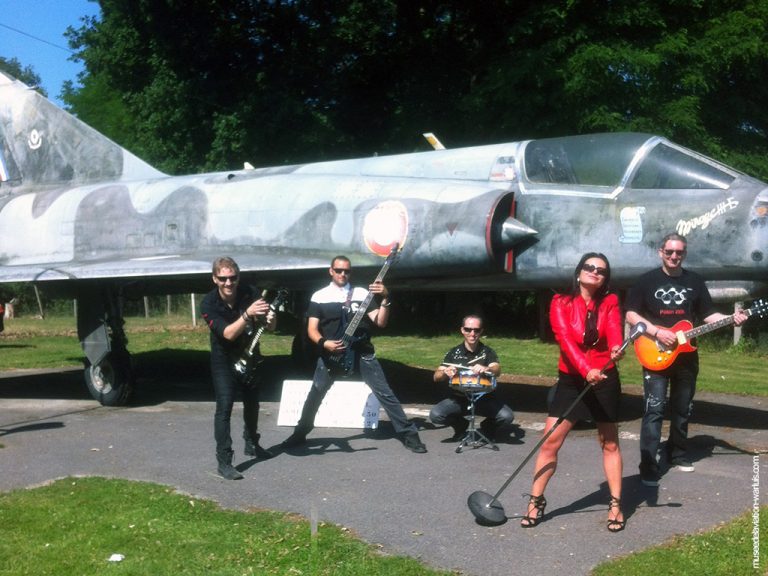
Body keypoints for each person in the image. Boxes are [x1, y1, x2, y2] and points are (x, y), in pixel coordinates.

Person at [625, 233, 747, 487]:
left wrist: (731, 318)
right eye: (669, 251)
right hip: (654, 352)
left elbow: (708, 314)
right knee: (654, 410)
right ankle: (648, 465)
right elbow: (631, 314)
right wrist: (657, 332)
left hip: (686, 358)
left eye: (679, 252)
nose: (674, 256)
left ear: (685, 253)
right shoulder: (646, 281)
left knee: (682, 410)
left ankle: (677, 453)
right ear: (661, 252)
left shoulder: (694, 281)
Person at [521, 253, 626, 532]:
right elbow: (566, 341)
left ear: (605, 278)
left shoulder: (611, 301)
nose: (595, 272)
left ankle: (615, 503)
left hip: (604, 377)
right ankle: (536, 500)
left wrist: (616, 350)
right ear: (579, 272)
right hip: (572, 380)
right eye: (589, 267)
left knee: (610, 443)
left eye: (601, 270)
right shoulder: (560, 302)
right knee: (549, 442)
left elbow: (615, 330)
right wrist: (585, 369)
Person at [282, 255, 427, 453]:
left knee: (385, 393)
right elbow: (312, 330)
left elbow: (380, 321)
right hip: (333, 354)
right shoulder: (319, 296)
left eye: (347, 271)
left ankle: (409, 435)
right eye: (339, 270)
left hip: (362, 352)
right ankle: (300, 433)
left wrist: (386, 298)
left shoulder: (361, 293)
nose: (343, 274)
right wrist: (325, 344)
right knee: (315, 394)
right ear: (331, 271)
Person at [201, 256, 276, 480]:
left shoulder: (250, 293)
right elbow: (228, 333)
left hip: (250, 353)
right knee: (224, 407)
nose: (228, 283)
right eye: (223, 278)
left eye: (232, 278)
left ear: (238, 277)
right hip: (223, 358)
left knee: (252, 401)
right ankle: (224, 460)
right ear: (215, 279)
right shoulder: (208, 303)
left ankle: (252, 442)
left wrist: (271, 318)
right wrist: (247, 314)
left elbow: (270, 326)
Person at [430, 314, 513, 442]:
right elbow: (436, 376)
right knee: (436, 415)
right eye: (468, 329)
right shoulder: (453, 353)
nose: (472, 333)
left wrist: (487, 369)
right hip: (459, 398)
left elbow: (497, 370)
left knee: (507, 416)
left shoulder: (487, 352)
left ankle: (487, 427)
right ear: (462, 330)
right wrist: (445, 372)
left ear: (481, 331)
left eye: (476, 330)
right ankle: (461, 426)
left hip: (483, 398)